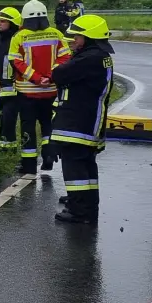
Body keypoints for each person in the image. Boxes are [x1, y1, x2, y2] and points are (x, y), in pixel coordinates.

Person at [51, 15, 115, 224]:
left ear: (89, 37)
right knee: (86, 167)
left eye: (77, 37)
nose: (73, 40)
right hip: (87, 120)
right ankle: (86, 203)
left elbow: (60, 74)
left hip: (78, 122)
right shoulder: (99, 56)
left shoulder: (89, 58)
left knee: (75, 167)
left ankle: (79, 211)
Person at [9, 0, 72, 176]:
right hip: (51, 91)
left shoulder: (19, 37)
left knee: (28, 128)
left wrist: (36, 78)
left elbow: (16, 62)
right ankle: (48, 157)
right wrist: (50, 76)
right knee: (47, 125)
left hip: (27, 92)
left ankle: (28, 166)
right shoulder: (56, 34)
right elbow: (65, 58)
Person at [0, 7, 23, 153]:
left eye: (2, 21)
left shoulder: (17, 39)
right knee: (0, 119)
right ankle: (3, 147)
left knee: (9, 120)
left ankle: (10, 150)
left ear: (12, 22)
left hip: (13, 88)